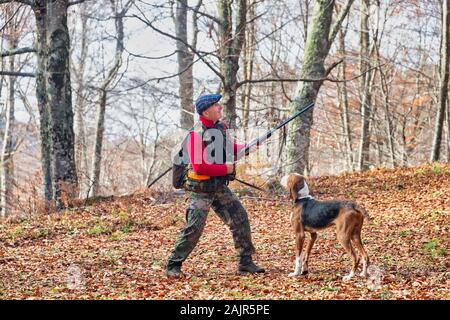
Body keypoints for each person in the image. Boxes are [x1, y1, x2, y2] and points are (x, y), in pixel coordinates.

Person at [166, 93, 265, 277]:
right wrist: (226, 169)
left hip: (218, 187)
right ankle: (173, 265)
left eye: (219, 104)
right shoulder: (196, 135)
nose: (220, 107)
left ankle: (245, 262)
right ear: (205, 111)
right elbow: (200, 166)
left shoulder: (221, 127)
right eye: (215, 105)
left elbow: (230, 147)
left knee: (239, 218)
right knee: (194, 228)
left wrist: (248, 146)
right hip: (200, 190)